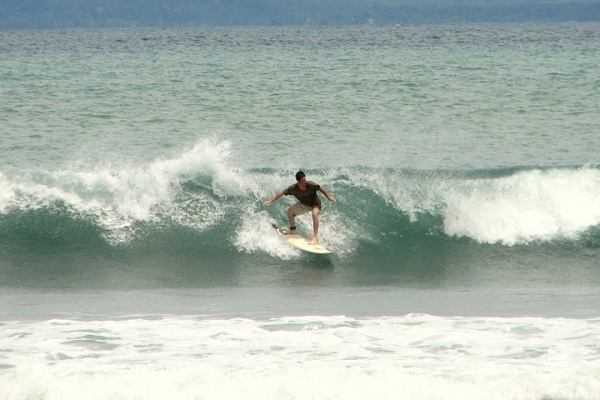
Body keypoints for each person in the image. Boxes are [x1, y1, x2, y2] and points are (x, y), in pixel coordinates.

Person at [263, 171, 336, 245]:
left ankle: (315, 238)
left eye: (305, 180)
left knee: (314, 214)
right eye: (302, 181)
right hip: (304, 204)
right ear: (298, 181)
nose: (304, 182)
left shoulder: (311, 184)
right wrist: (271, 200)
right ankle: (293, 230)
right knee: (290, 211)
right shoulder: (293, 188)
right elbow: (282, 193)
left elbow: (320, 188)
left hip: (315, 205)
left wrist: (329, 196)